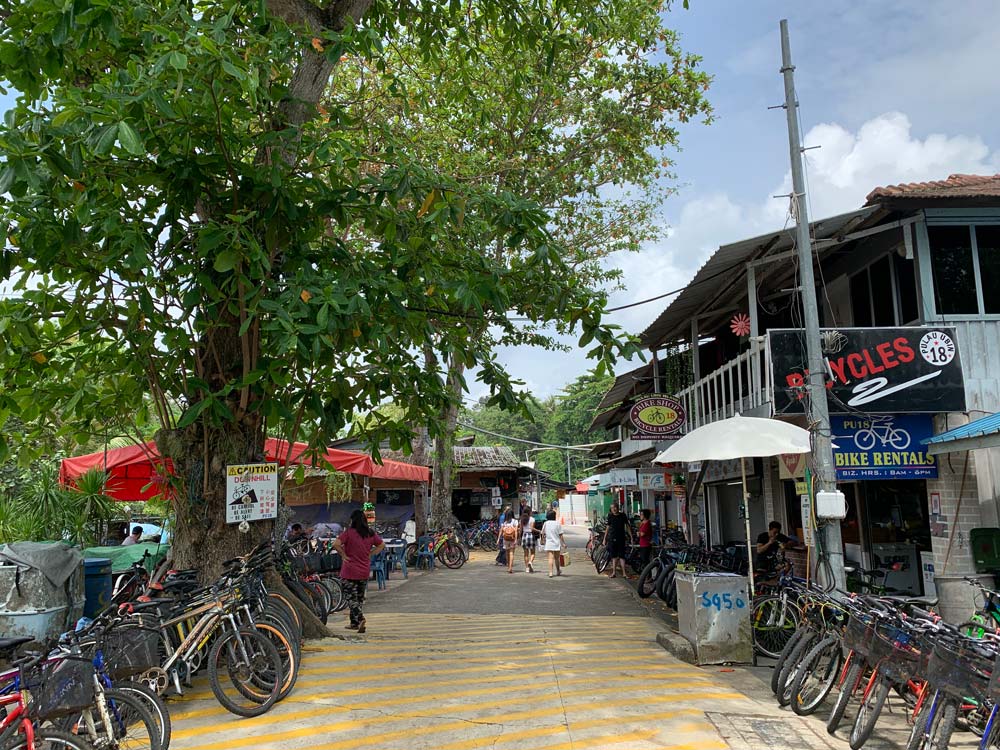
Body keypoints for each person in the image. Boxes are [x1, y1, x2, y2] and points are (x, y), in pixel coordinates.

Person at [332, 509, 385, 633]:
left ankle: (360, 618)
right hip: (364, 570)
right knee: (359, 598)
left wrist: (343, 555)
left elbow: (335, 544)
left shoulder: (349, 533)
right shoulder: (370, 533)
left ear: (353, 520)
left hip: (349, 570)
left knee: (351, 598)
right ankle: (354, 623)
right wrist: (371, 554)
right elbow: (381, 545)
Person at [603, 503, 632, 579]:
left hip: (621, 538)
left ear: (618, 508)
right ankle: (614, 572)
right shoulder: (610, 516)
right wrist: (604, 539)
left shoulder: (623, 516)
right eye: (612, 508)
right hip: (612, 539)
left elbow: (627, 526)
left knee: (622, 556)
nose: (614, 509)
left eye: (615, 507)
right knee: (614, 557)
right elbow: (607, 528)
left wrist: (631, 537)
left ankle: (624, 573)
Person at [541, 510, 565, 578]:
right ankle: (558, 571)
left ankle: (550, 572)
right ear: (554, 516)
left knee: (550, 558)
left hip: (549, 543)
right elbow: (560, 535)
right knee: (557, 558)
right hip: (556, 543)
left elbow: (542, 533)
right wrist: (563, 543)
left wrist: (542, 540)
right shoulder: (557, 523)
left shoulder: (546, 523)